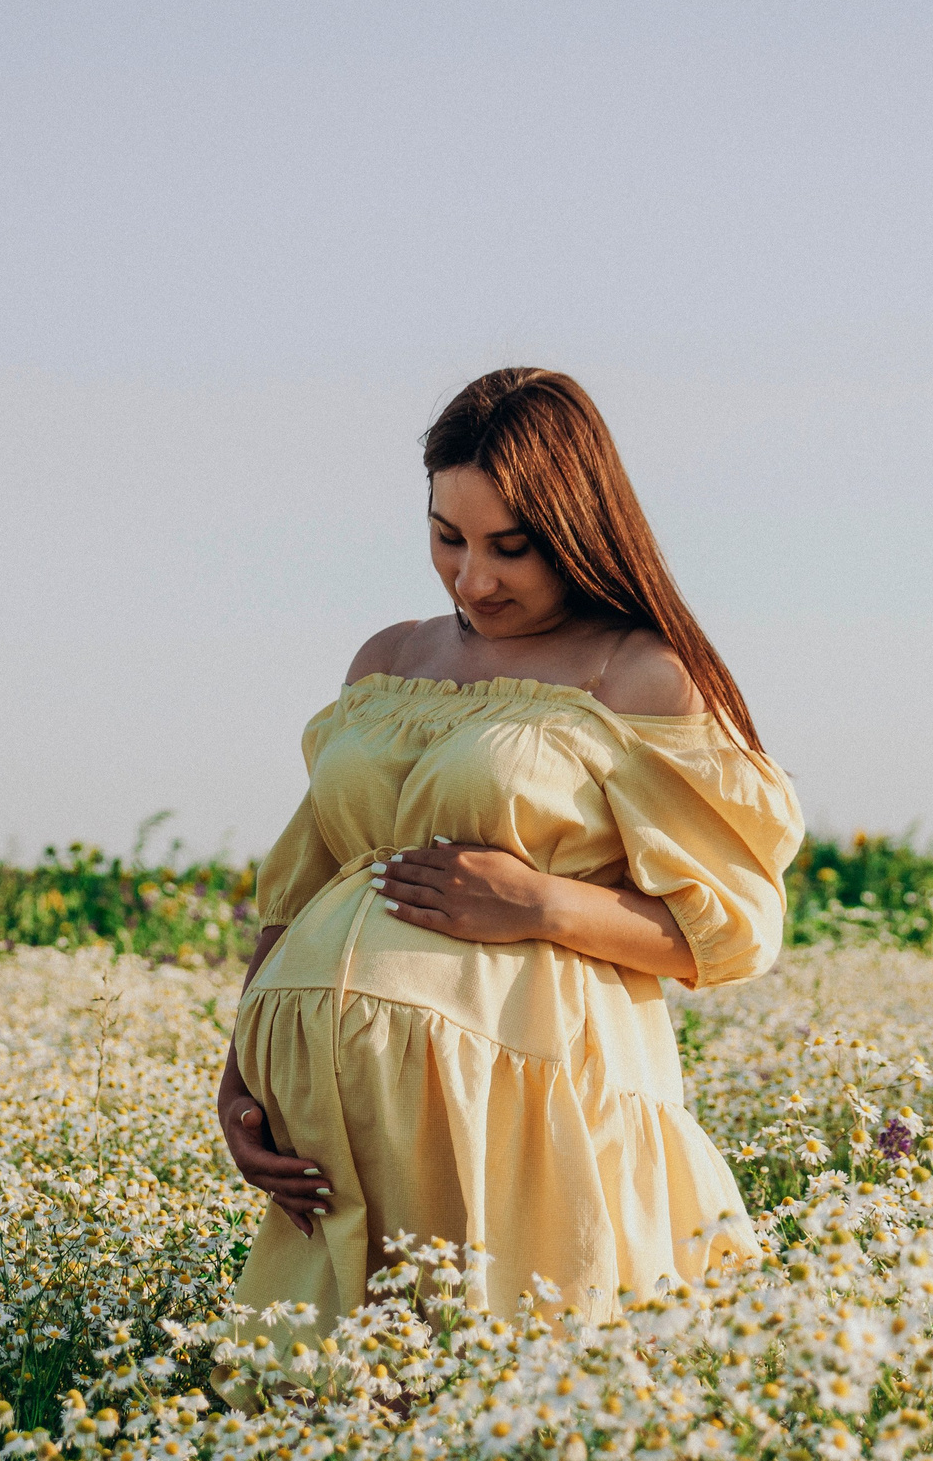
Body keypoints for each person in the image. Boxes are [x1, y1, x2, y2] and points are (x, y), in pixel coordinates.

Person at [212, 368, 803, 1402]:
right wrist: (240, 1073)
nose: (472, 579)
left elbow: (734, 930)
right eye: (447, 537)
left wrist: (538, 905)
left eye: (509, 547)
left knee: (510, 1407)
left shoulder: (638, 675)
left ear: (579, 529)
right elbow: (300, 887)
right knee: (325, 1438)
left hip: (522, 1112)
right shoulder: (387, 661)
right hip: (339, 1136)